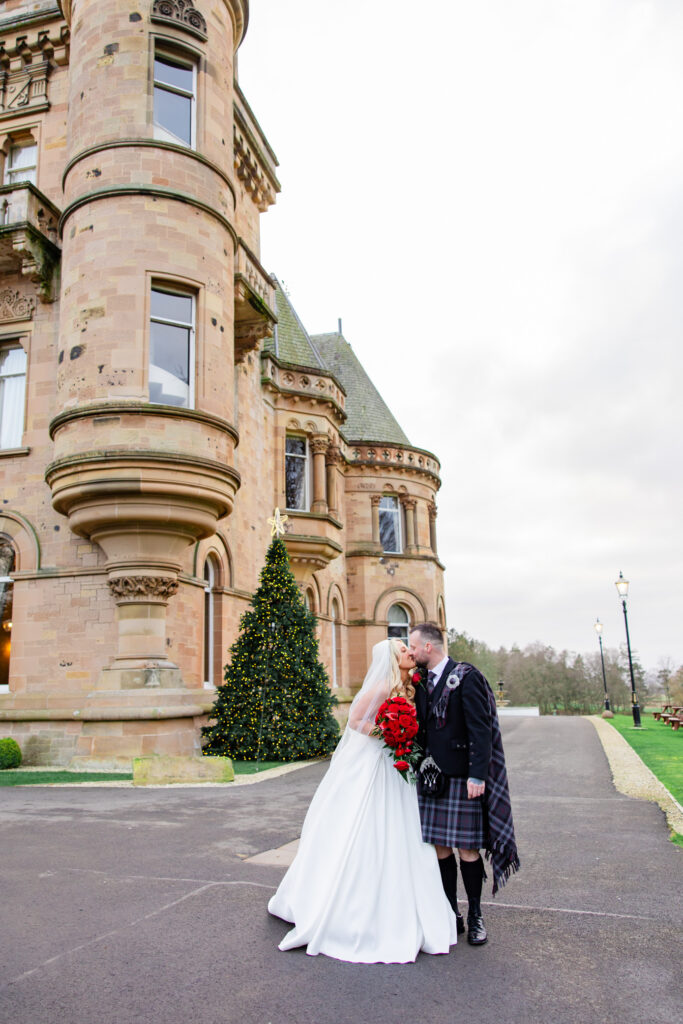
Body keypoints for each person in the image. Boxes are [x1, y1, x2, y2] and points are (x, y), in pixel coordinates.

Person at [268, 638, 459, 963]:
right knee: (365, 830)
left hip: (396, 767)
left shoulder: (410, 685)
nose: (409, 653)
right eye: (403, 650)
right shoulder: (383, 686)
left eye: (409, 649)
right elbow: (355, 722)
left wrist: (402, 737)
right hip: (376, 764)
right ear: (391, 658)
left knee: (402, 833)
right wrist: (389, 734)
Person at [409, 622, 520, 947]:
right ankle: (450, 913)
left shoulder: (466, 677)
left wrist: (477, 775)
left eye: (414, 646)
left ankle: (475, 915)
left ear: (429, 647)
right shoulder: (418, 681)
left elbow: (481, 730)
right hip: (432, 780)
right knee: (441, 849)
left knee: (468, 850)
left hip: (461, 778)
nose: (411, 651)